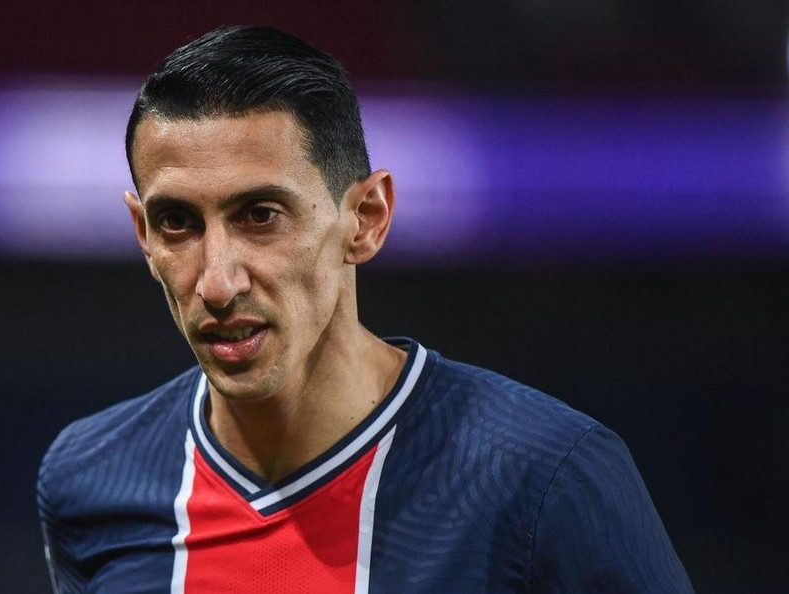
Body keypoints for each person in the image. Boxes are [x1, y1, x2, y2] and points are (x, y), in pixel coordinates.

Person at [37, 25, 693, 593]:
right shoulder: (90, 479)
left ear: (367, 219)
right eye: (177, 222)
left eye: (260, 215)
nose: (216, 282)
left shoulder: (545, 478)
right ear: (142, 235)